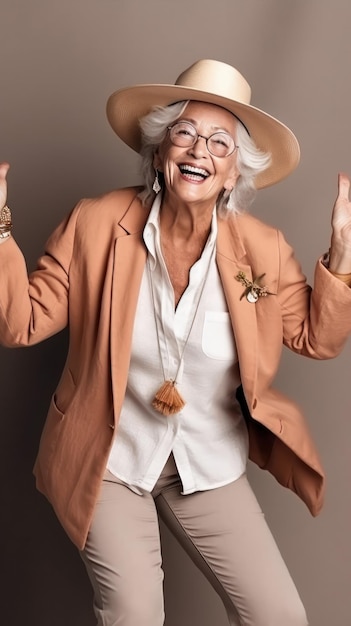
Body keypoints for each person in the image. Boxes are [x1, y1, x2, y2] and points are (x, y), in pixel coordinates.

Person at [0, 58, 351, 626]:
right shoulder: (96, 223)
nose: (199, 151)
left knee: (281, 617)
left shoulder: (262, 251)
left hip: (206, 462)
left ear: (235, 172)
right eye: (184, 133)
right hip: (109, 459)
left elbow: (316, 337)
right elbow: (21, 322)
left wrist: (343, 253)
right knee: (135, 615)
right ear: (160, 151)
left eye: (220, 142)